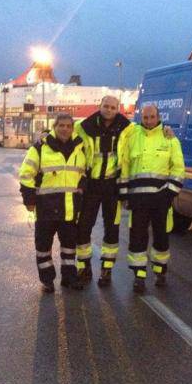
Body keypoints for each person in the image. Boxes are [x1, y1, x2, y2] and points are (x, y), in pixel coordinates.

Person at [118, 105, 185, 293]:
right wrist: (124, 194)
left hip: (161, 200)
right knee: (137, 238)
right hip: (138, 200)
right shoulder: (132, 136)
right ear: (141, 117)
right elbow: (125, 166)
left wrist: (168, 194)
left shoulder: (170, 139)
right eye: (145, 117)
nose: (148, 121)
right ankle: (139, 276)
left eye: (152, 117)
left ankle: (160, 271)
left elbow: (178, 170)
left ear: (158, 116)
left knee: (161, 237)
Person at [18, 113, 87, 292]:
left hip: (69, 209)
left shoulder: (80, 149)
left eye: (68, 126)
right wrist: (29, 201)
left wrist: (81, 190)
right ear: (55, 127)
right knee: (43, 247)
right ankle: (47, 280)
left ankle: (69, 278)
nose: (65, 129)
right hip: (46, 208)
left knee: (69, 248)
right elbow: (26, 176)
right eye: (61, 125)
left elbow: (83, 174)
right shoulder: (40, 148)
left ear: (72, 128)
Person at [74, 96, 133, 286]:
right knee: (84, 226)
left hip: (112, 186)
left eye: (113, 107)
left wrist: (166, 130)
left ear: (118, 109)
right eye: (105, 106)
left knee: (112, 228)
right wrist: (44, 134)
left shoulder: (128, 129)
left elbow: (150, 133)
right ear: (100, 106)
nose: (109, 110)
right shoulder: (84, 127)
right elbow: (61, 132)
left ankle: (106, 269)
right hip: (91, 185)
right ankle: (84, 267)